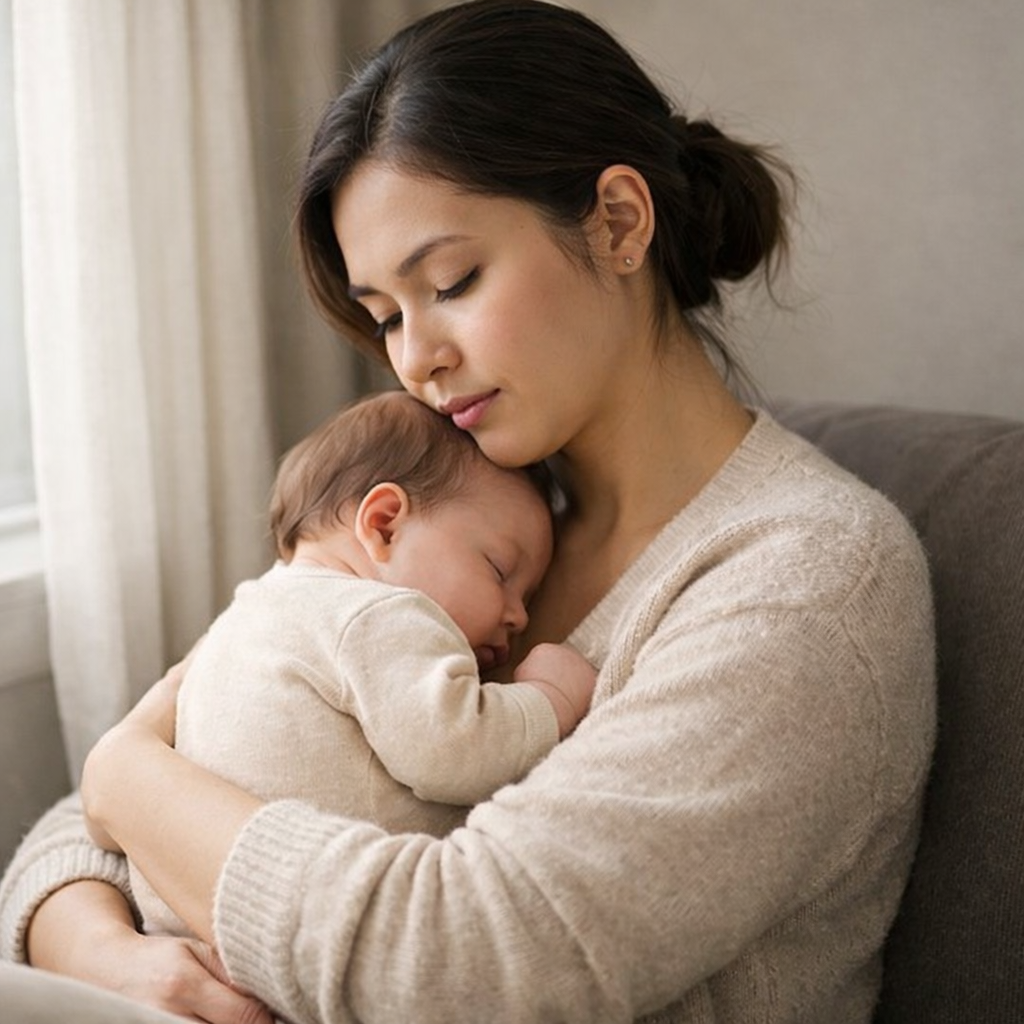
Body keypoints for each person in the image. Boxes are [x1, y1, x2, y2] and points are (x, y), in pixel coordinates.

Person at [0, 1, 936, 1022]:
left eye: (452, 280)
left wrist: (124, 776)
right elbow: (194, 764)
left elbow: (471, 960)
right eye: (386, 315)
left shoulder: (810, 580)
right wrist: (106, 945)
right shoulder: (462, 526)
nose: (414, 358)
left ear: (619, 222)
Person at [123, 388, 595, 939]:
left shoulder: (242, 616)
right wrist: (551, 700)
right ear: (385, 524)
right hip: (302, 930)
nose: (516, 616)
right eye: (499, 570)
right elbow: (453, 747)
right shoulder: (378, 616)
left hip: (182, 921)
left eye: (528, 597)